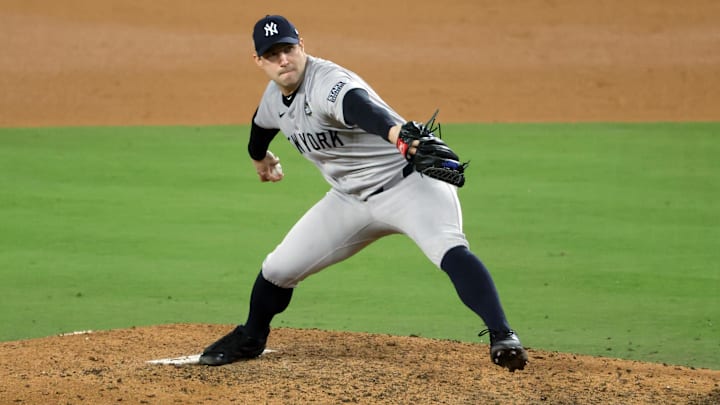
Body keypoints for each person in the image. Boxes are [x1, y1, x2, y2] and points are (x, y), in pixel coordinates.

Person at [198, 14, 528, 372]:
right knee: (278, 269)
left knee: (449, 250)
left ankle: (503, 336)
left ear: (302, 46)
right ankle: (251, 336)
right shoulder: (274, 96)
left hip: (409, 186)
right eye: (272, 54)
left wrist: (398, 136)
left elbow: (360, 107)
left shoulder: (328, 82)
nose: (283, 60)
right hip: (349, 200)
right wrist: (259, 158)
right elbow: (260, 127)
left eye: (288, 49)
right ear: (258, 60)